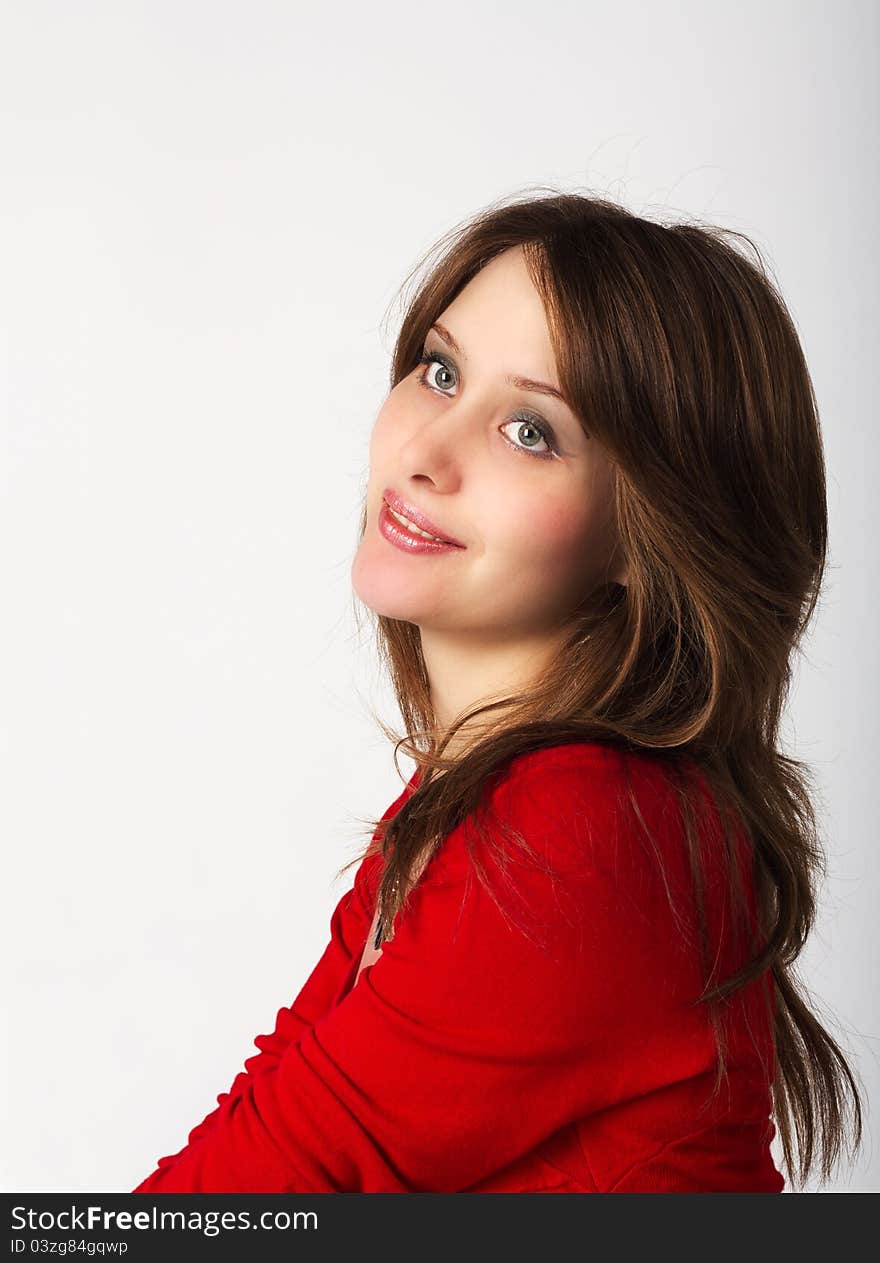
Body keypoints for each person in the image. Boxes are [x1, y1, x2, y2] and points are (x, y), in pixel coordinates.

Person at [132, 188, 864, 1193]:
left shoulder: (584, 833)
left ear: (646, 532)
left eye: (530, 431)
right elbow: (270, 1120)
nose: (424, 456)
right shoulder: (478, 805)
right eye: (439, 372)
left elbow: (282, 1188)